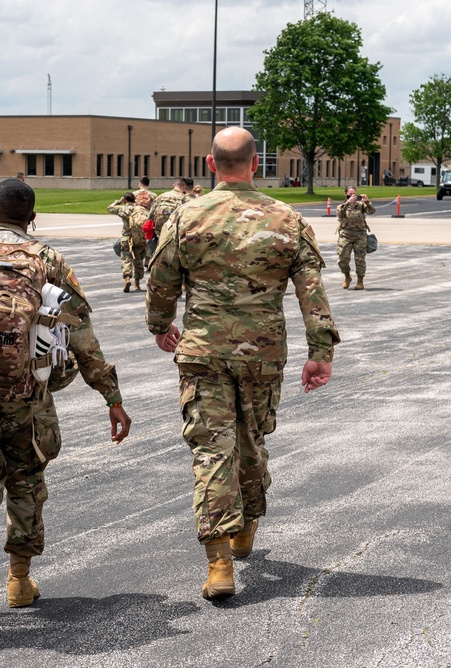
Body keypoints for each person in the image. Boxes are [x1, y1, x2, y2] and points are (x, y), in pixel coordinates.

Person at [0, 178, 132, 642]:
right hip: (28, 396)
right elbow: (81, 333)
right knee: (26, 477)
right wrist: (112, 398)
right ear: (32, 218)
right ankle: (19, 581)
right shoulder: (48, 260)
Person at [146, 126, 339, 601]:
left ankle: (219, 564)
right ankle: (248, 522)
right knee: (250, 442)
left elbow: (161, 279)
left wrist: (160, 324)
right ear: (257, 164)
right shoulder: (288, 219)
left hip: (203, 353)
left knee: (212, 450)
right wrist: (321, 352)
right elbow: (311, 291)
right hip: (263, 354)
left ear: (211, 165)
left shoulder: (185, 215)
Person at [336, 185, 375, 290]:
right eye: (350, 194)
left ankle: (360, 281)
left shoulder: (361, 205)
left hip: (360, 236)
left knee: (360, 260)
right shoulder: (342, 206)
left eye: (354, 193)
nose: (353, 195)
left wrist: (367, 201)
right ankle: (347, 277)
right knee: (343, 259)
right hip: (346, 236)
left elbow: (371, 211)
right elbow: (340, 214)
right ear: (346, 194)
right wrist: (348, 203)